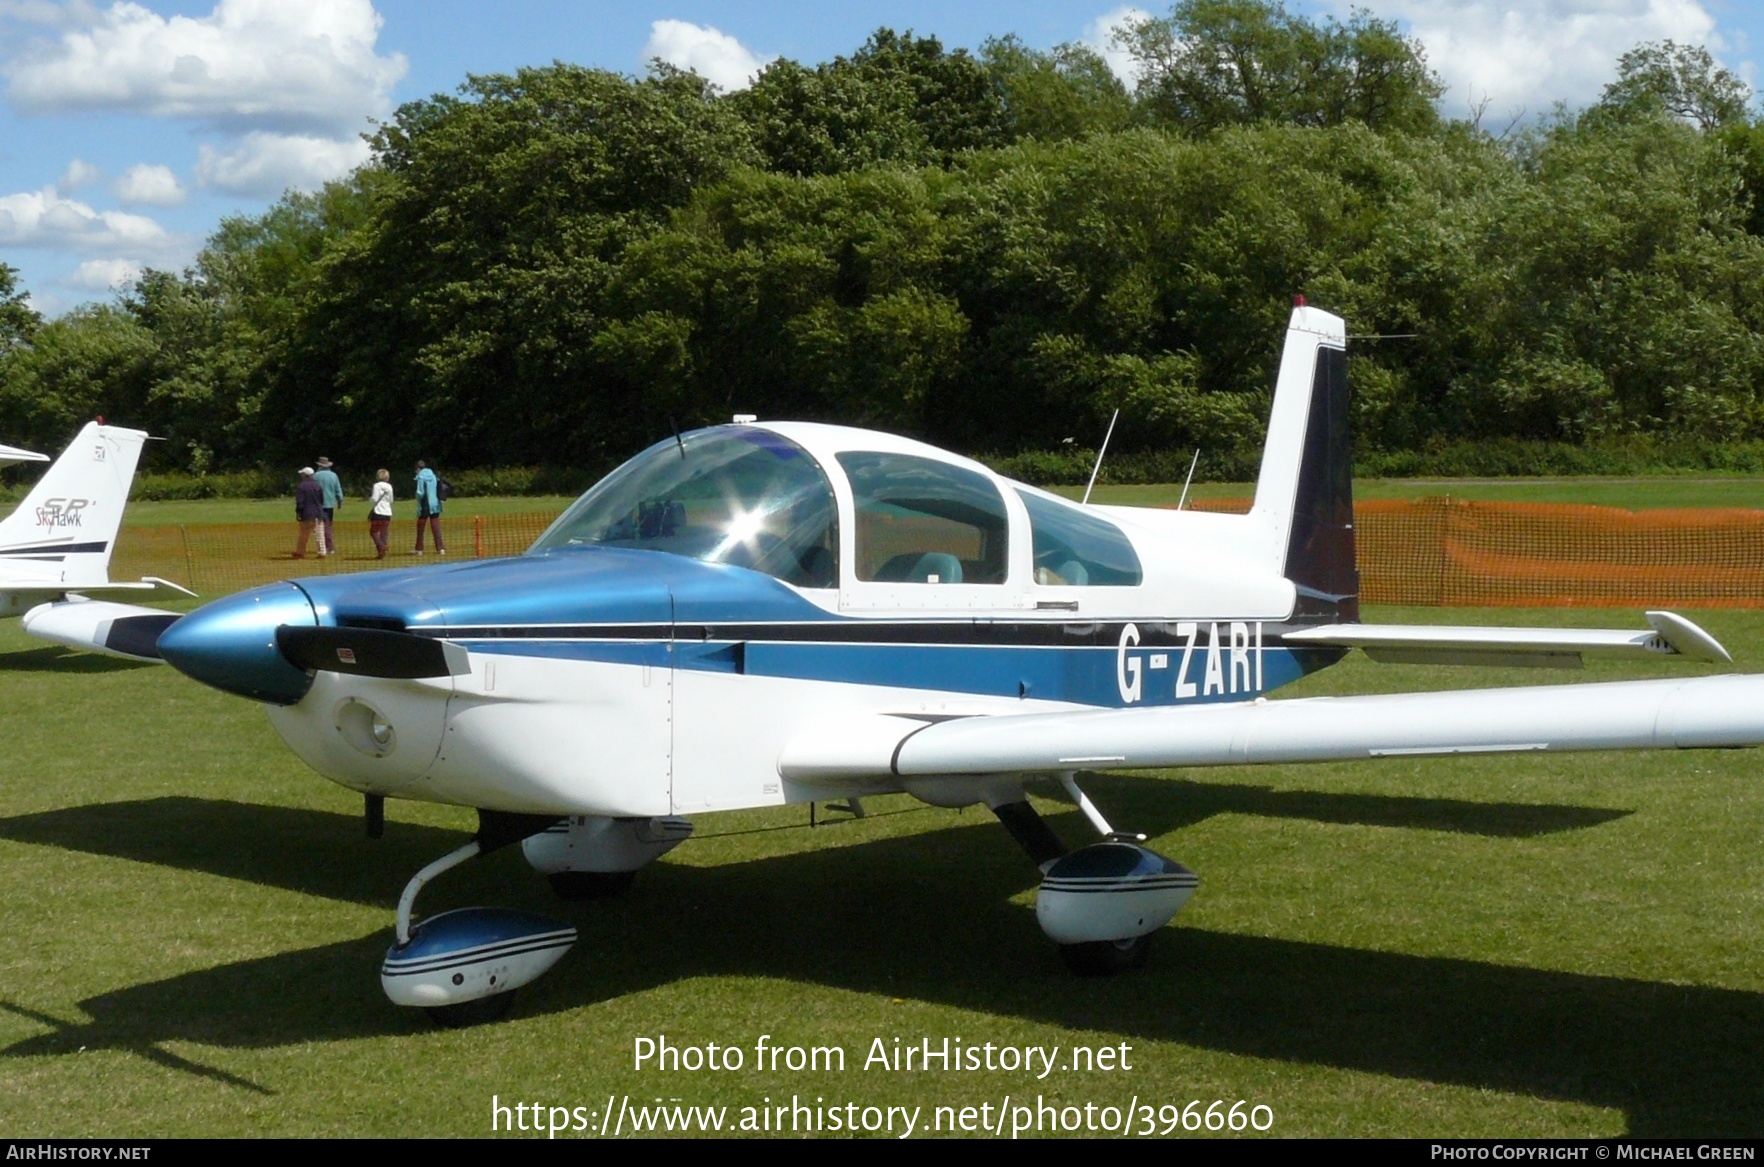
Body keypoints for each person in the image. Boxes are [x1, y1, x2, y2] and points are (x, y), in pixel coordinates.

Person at [413, 460, 444, 554]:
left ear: (418, 469)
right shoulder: (433, 476)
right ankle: (440, 548)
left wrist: (417, 498)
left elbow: (420, 492)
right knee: (435, 525)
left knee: (421, 526)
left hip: (425, 504)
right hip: (435, 503)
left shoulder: (421, 477)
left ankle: (419, 549)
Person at [313, 457, 343, 556]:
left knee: (319, 526)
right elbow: (338, 490)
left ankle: (324, 547)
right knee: (328, 525)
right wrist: (339, 501)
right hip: (330, 504)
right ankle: (329, 547)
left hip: (318, 504)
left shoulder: (315, 476)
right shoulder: (334, 476)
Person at [293, 467, 324, 559]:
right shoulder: (318, 486)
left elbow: (300, 502)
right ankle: (322, 551)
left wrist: (298, 512)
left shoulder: (301, 486)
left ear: (305, 475)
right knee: (319, 533)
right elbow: (321, 500)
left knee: (303, 534)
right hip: (318, 513)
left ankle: (300, 552)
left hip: (307, 513)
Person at [368, 468, 393, 559]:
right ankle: (382, 553)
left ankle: (381, 547)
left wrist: (370, 500)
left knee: (373, 532)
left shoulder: (376, 486)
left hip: (378, 511)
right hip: (387, 512)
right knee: (384, 532)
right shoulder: (389, 486)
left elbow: (374, 498)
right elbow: (391, 500)